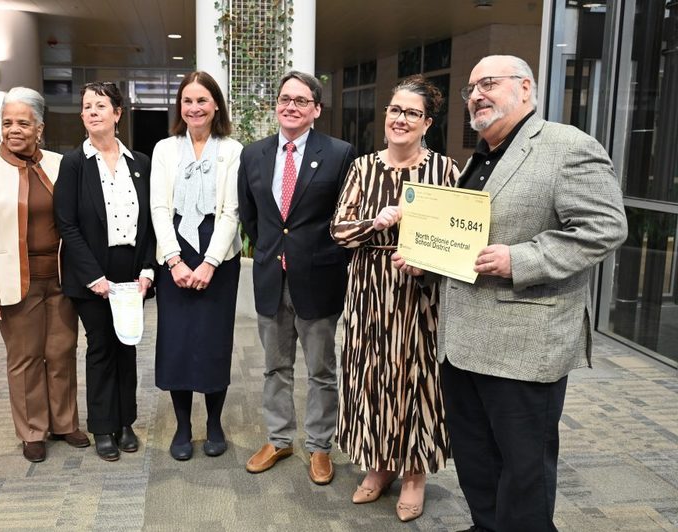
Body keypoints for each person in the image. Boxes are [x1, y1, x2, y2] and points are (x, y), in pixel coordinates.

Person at [393, 55, 627, 531]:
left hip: (523, 345)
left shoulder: (567, 146)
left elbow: (605, 228)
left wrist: (520, 260)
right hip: (462, 343)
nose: (476, 94)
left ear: (525, 88)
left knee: (524, 471)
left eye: (489, 84)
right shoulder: (482, 154)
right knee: (477, 460)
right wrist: (428, 262)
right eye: (471, 87)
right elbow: (466, 240)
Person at [331, 75, 455, 522]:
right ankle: (380, 466)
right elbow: (340, 231)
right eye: (395, 110)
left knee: (416, 379)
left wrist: (428, 264)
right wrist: (376, 222)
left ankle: (416, 473)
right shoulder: (363, 167)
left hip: (421, 295)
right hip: (369, 291)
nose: (400, 119)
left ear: (427, 123)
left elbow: (461, 241)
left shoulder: (445, 171)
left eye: (412, 113)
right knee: (371, 378)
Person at [238, 71, 356, 485]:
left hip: (319, 280)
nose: (291, 106)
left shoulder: (340, 154)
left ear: (316, 110)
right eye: (285, 98)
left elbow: (346, 218)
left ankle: (320, 446)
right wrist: (274, 251)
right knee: (275, 367)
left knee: (322, 370)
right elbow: (250, 216)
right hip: (271, 276)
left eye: (301, 101)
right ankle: (279, 438)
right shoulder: (253, 154)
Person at [0, 87, 89, 463]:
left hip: (62, 279)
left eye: (22, 122)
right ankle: (33, 430)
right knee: (25, 357)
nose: (14, 129)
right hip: (14, 281)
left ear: (39, 128)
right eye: (7, 123)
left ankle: (65, 423)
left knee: (62, 351)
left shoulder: (60, 163)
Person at [53, 81, 157, 462]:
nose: (92, 112)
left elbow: (151, 222)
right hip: (91, 271)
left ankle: (126, 422)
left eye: (100, 105)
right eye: (86, 106)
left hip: (131, 268)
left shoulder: (140, 163)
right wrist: (93, 275)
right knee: (100, 348)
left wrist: (148, 269)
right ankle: (102, 427)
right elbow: (67, 224)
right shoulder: (74, 163)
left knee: (127, 345)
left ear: (117, 113)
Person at [150, 71, 242, 461]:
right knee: (178, 342)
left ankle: (215, 423)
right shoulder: (165, 149)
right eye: (187, 101)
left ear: (215, 104)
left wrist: (209, 262)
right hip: (174, 252)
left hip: (217, 256)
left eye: (202, 100)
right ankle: (183, 425)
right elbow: (158, 206)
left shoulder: (232, 150)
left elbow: (232, 210)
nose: (194, 108)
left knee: (213, 340)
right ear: (180, 107)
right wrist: (173, 260)